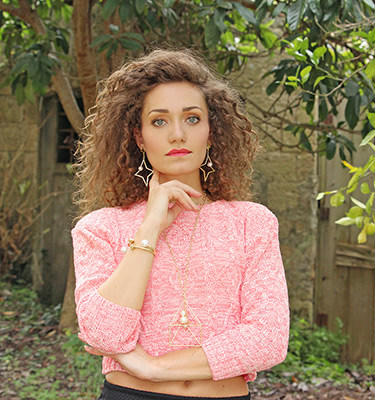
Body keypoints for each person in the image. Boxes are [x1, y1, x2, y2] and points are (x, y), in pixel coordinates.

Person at [71, 48, 289, 400]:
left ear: (211, 132)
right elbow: (104, 335)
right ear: (139, 137)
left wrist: (155, 368)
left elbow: (267, 339)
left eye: (192, 118)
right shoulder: (100, 228)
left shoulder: (252, 223)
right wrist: (150, 227)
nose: (177, 134)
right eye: (159, 121)